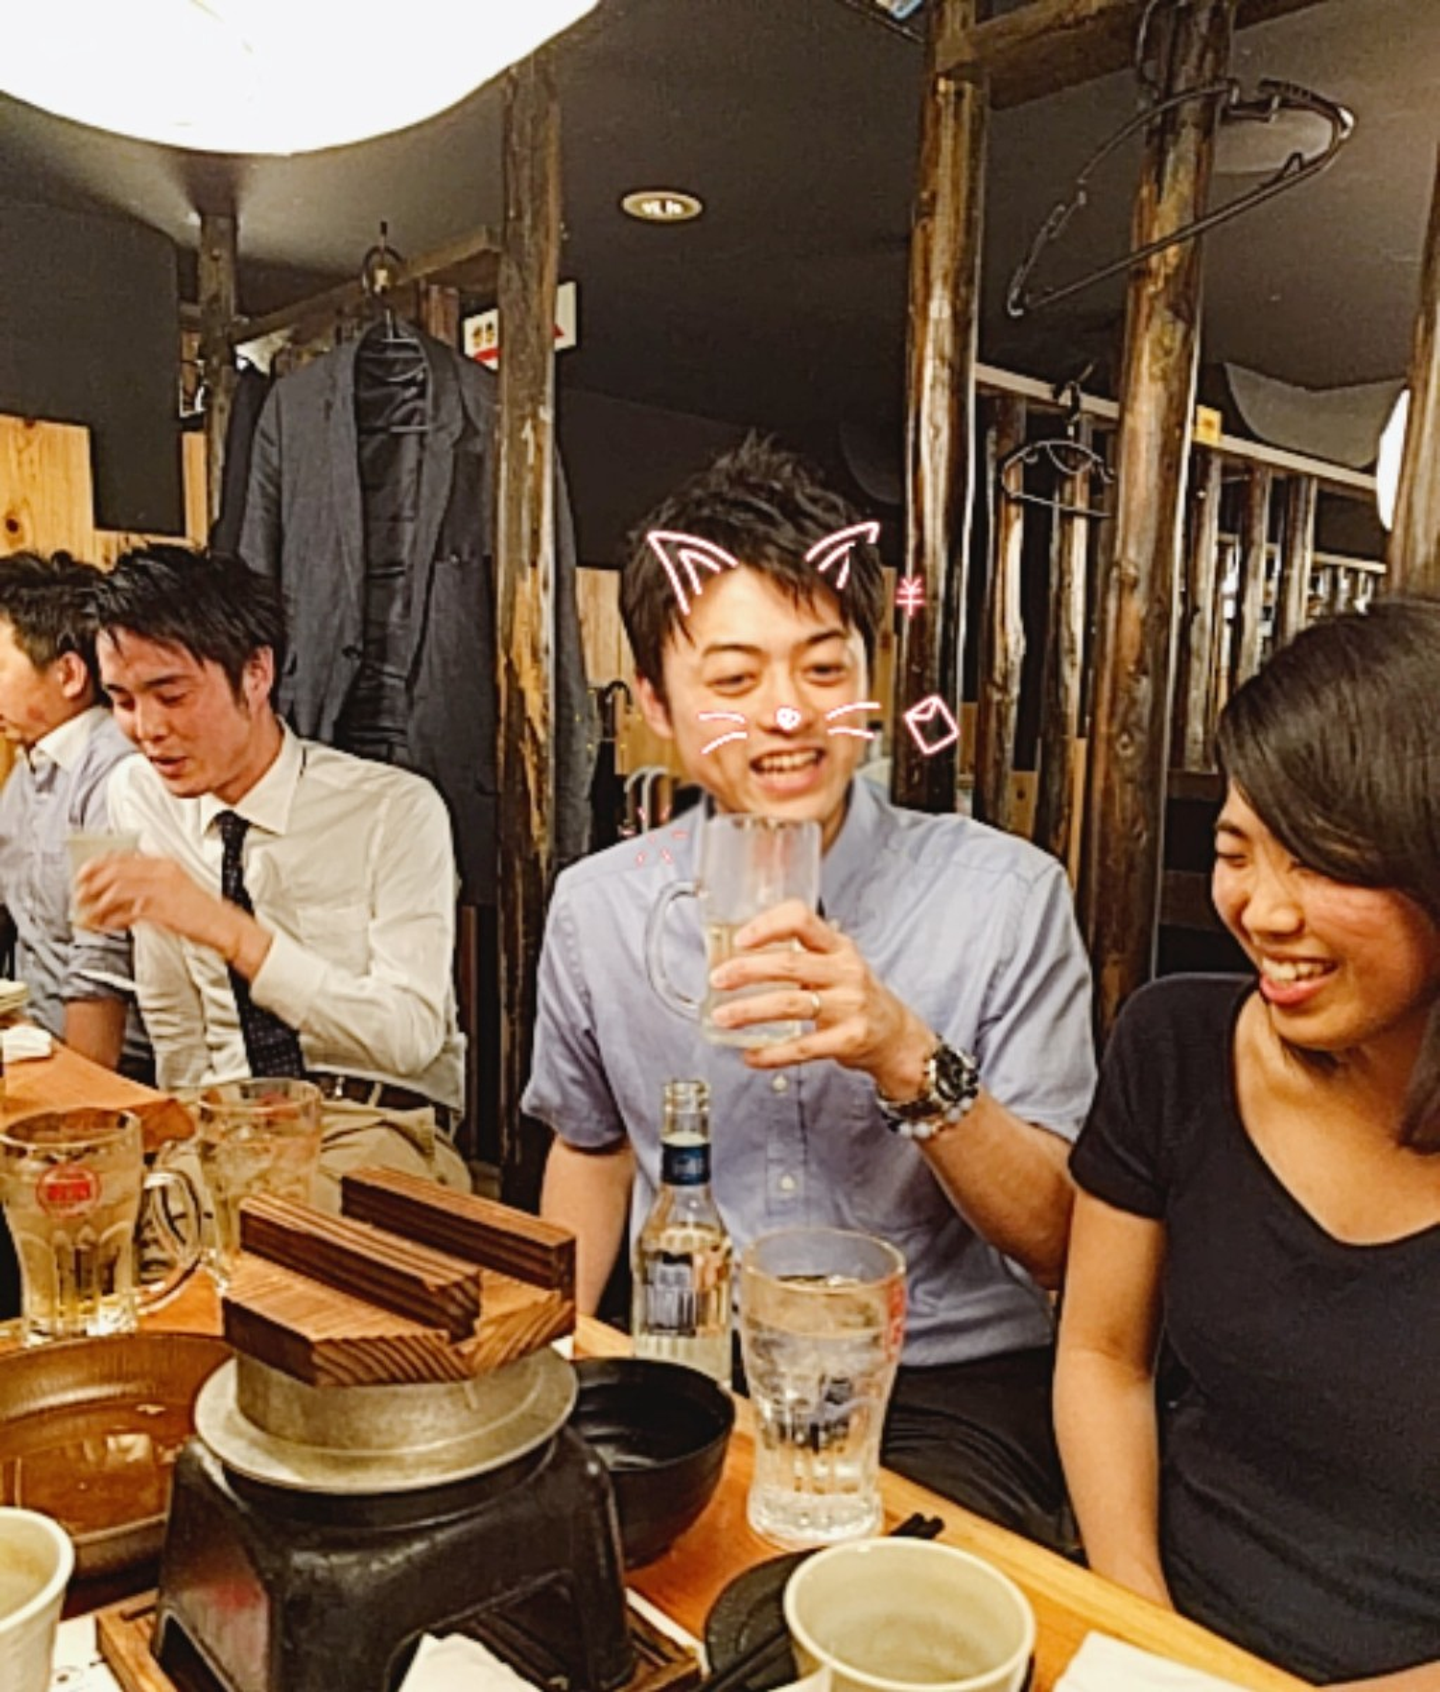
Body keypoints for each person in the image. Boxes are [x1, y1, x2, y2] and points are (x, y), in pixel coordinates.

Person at [525, 438, 1096, 1547]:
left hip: (941, 1380)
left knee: (874, 1602)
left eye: (825, 670)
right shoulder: (600, 908)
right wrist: (549, 1357)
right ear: (656, 701)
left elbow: (1058, 1238)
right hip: (694, 1357)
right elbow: (591, 1150)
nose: (788, 715)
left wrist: (901, 1051)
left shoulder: (1005, 894)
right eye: (736, 680)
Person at [1056, 599, 1440, 1685]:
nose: (1263, 911)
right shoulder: (1175, 1047)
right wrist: (1146, 1635)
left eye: (1320, 861)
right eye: (1238, 852)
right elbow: (1101, 1357)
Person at [78, 546, 469, 1200]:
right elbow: (175, 1014)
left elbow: (410, 1038)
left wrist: (235, 935)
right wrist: (177, 1150)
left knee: (277, 1235)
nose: (147, 729)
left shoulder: (394, 810)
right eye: (122, 700)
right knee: (107, 1217)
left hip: (371, 1118)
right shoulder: (138, 792)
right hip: (225, 1122)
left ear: (256, 673)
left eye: (171, 695)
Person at [0, 551, 148, 1072]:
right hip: (29, 1043)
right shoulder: (28, 766)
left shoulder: (114, 770)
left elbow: (102, 961)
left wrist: (77, 1099)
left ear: (68, 674)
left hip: (109, 1068)